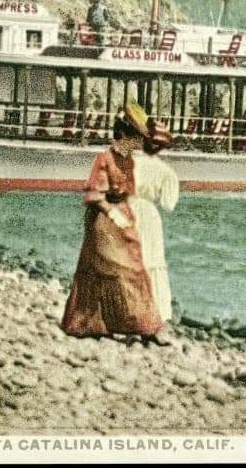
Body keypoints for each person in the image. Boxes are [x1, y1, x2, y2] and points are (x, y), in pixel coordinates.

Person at [61, 99, 167, 345]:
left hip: (122, 218)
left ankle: (146, 328)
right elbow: (93, 195)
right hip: (103, 221)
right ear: (123, 135)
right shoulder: (104, 159)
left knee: (137, 268)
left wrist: (128, 215)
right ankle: (98, 323)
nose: (139, 144)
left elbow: (127, 192)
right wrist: (113, 213)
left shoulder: (128, 161)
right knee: (117, 270)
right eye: (135, 139)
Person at [129, 123, 180, 329]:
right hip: (149, 213)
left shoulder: (128, 162)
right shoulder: (166, 171)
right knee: (151, 259)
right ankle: (154, 310)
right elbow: (168, 204)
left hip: (127, 208)